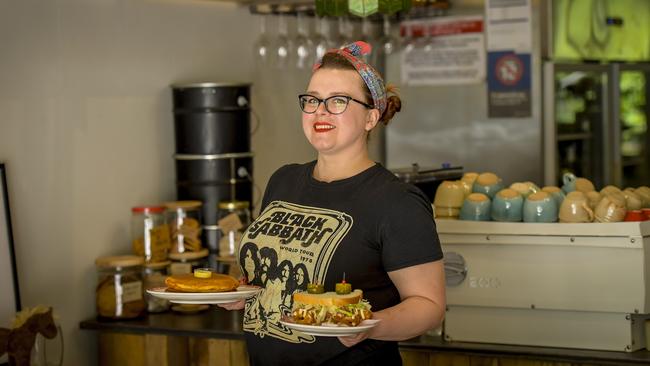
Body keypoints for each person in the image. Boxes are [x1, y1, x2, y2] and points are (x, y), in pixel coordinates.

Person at [220, 41, 445, 366]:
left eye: (338, 101)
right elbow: (269, 278)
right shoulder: (283, 181)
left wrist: (369, 327)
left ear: (371, 117)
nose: (320, 111)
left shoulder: (396, 201)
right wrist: (242, 292)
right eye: (312, 100)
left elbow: (428, 305)